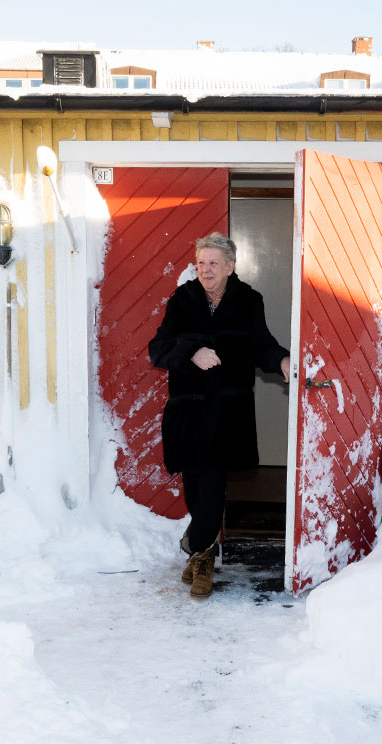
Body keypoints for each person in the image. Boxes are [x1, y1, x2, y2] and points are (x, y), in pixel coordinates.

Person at [148, 232, 290, 599]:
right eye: (201, 263)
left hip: (228, 412)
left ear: (230, 266)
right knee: (195, 489)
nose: (206, 269)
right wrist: (191, 352)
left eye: (213, 263)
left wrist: (283, 360)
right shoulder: (182, 300)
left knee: (212, 485)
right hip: (189, 410)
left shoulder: (248, 301)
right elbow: (159, 349)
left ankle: (202, 559)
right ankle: (199, 547)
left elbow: (261, 345)